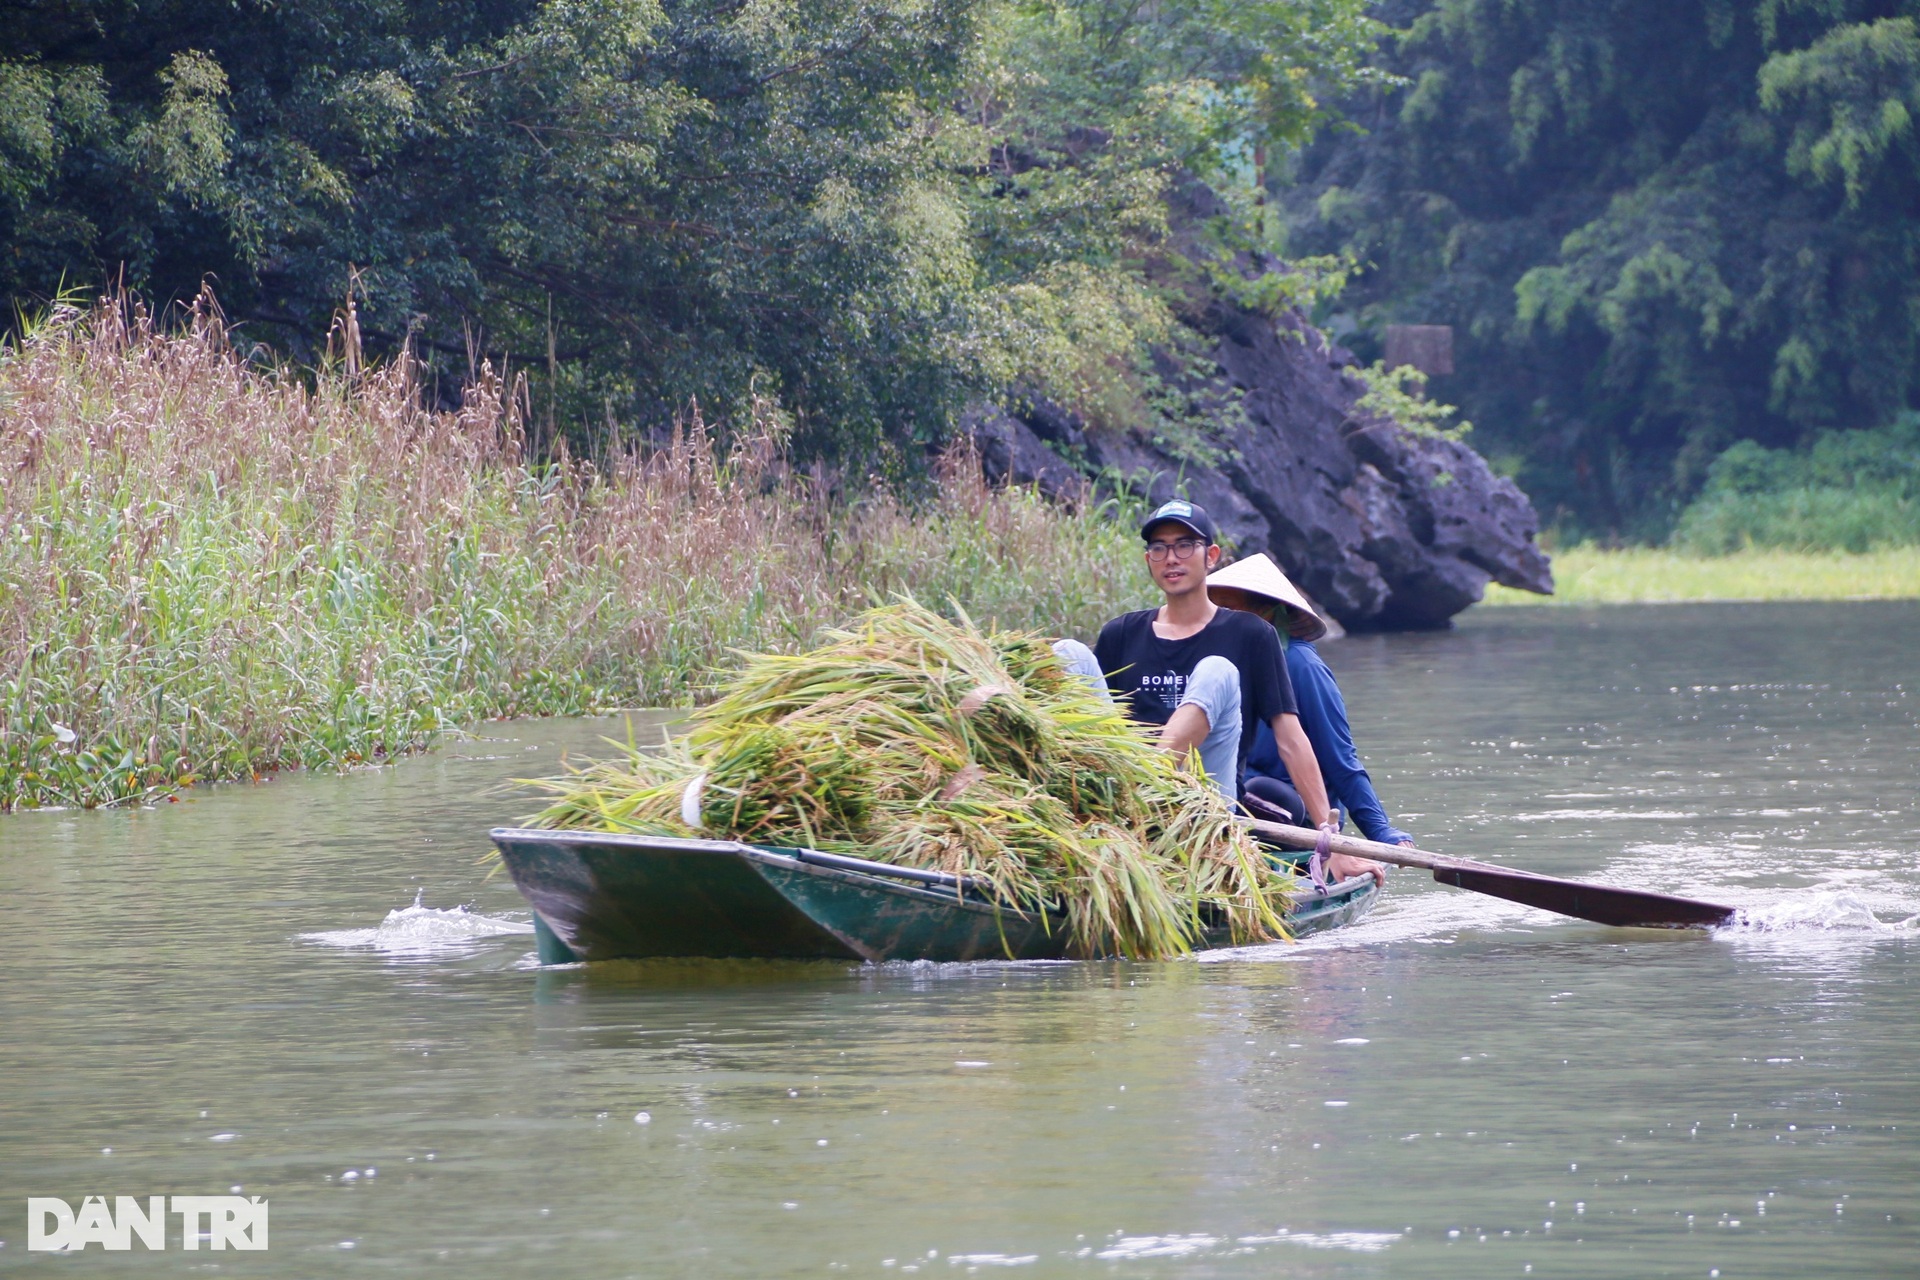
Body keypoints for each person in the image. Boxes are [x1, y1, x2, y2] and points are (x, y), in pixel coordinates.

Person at [1053, 499, 1385, 887]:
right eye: (1159, 548)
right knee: (1067, 653)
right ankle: (1088, 810)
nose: (1171, 558)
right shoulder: (1121, 633)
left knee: (1217, 669)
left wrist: (1333, 844)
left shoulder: (1249, 635)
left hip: (1204, 803)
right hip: (1119, 799)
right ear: (1148, 560)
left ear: (1210, 555)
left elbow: (1292, 740)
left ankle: (1150, 785)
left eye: (1184, 545)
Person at [1207, 554, 1415, 850]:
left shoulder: (1301, 665)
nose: (1218, 620)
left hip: (1295, 813)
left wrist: (1380, 830)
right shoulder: (1218, 667)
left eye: (1230, 609)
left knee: (1259, 790)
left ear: (1265, 613)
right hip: (1232, 804)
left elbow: (1341, 759)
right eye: (1216, 610)